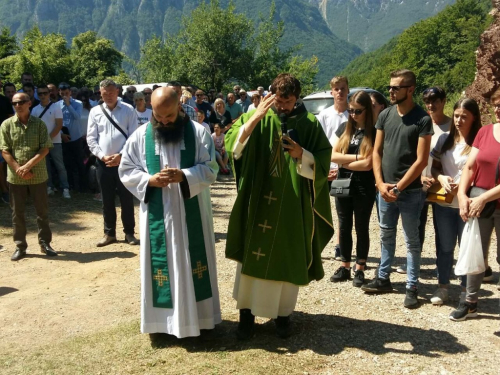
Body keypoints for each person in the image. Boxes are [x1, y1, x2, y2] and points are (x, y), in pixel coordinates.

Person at [225, 73, 334, 339]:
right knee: (253, 254)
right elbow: (233, 146)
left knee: (287, 253)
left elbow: (322, 160)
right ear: (270, 96)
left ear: (297, 98)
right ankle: (246, 316)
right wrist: (254, 118)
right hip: (259, 197)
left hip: (291, 203)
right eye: (279, 101)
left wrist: (302, 155)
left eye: (288, 101)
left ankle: (283, 316)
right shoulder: (259, 118)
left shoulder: (308, 123)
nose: (283, 107)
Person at [118, 87, 221, 341]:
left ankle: (202, 321)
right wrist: (149, 179)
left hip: (191, 212)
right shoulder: (141, 136)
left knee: (194, 263)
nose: (163, 121)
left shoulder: (199, 134)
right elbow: (126, 169)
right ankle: (162, 324)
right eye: (158, 116)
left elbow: (211, 169)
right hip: (159, 214)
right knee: (161, 268)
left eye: (169, 116)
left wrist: (184, 176)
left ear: (179, 108)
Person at [361, 69, 433, 309]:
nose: (390, 91)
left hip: (410, 192)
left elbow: (421, 161)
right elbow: (377, 152)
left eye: (396, 88)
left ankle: (412, 286)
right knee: (385, 234)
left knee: (412, 241)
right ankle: (383, 278)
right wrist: (380, 184)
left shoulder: (422, 119)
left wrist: (398, 188)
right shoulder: (385, 115)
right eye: (390, 87)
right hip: (385, 190)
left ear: (410, 89)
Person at [453, 88, 500, 321]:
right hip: (479, 201)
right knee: (475, 252)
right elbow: (470, 167)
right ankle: (469, 303)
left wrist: (481, 197)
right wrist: (463, 194)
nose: (498, 109)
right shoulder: (485, 132)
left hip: (486, 201)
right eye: (496, 104)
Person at [429, 98, 482, 305]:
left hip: (468, 203)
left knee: (466, 247)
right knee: (445, 247)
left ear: (474, 118)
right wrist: (441, 177)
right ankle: (443, 287)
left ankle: (464, 291)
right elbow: (434, 167)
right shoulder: (445, 139)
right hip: (444, 202)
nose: (459, 120)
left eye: (464, 117)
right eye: (457, 115)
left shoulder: (479, 141)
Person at [0, 93, 57, 261]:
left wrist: (27, 166)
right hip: (16, 178)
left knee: (42, 212)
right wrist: (19, 169)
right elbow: (4, 150)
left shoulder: (39, 124)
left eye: (21, 102)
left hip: (38, 175)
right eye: (15, 103)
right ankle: (20, 246)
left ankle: (45, 243)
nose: (18, 105)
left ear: (29, 103)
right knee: (17, 213)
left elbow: (45, 148)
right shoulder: (6, 125)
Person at [329, 91, 376, 287]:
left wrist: (345, 162)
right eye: (350, 111)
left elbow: (369, 165)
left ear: (367, 110)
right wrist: (356, 159)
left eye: (357, 111)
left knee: (361, 227)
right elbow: (334, 156)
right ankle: (345, 266)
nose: (353, 115)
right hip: (343, 183)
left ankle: (360, 268)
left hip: (364, 185)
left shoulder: (374, 131)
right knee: (344, 225)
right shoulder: (344, 129)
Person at [87, 79, 139, 247]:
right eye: (104, 93)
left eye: (111, 92)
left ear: (117, 92)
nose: (108, 96)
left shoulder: (128, 110)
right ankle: (109, 233)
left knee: (126, 199)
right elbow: (91, 138)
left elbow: (134, 137)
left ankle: (129, 233)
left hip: (124, 162)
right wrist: (102, 156)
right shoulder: (95, 112)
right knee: (107, 200)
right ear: (100, 93)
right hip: (103, 163)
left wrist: (121, 155)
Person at [317, 76, 350, 261]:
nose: (339, 92)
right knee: (320, 207)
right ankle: (317, 245)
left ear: (348, 90)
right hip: (325, 170)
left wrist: (340, 167)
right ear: (331, 92)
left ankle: (340, 246)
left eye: (343, 88)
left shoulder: (352, 115)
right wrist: (324, 167)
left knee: (342, 211)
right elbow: (320, 143)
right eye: (336, 89)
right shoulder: (324, 115)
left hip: (344, 170)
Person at [31, 85, 70, 199]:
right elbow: (34, 127)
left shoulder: (56, 107)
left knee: (60, 166)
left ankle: (65, 188)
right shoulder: (35, 110)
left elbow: (59, 125)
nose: (43, 96)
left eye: (45, 93)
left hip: (55, 142)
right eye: (40, 94)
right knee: (45, 166)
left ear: (49, 94)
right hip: (42, 143)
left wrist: (47, 139)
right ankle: (50, 186)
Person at [59, 82, 85, 192]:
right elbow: (56, 122)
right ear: (59, 93)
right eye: (63, 93)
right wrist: (61, 134)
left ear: (70, 92)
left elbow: (77, 117)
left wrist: (68, 104)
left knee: (80, 163)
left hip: (76, 137)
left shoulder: (78, 103)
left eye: (67, 93)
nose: (65, 95)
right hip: (64, 138)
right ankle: (70, 186)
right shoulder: (57, 105)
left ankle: (83, 186)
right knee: (67, 163)